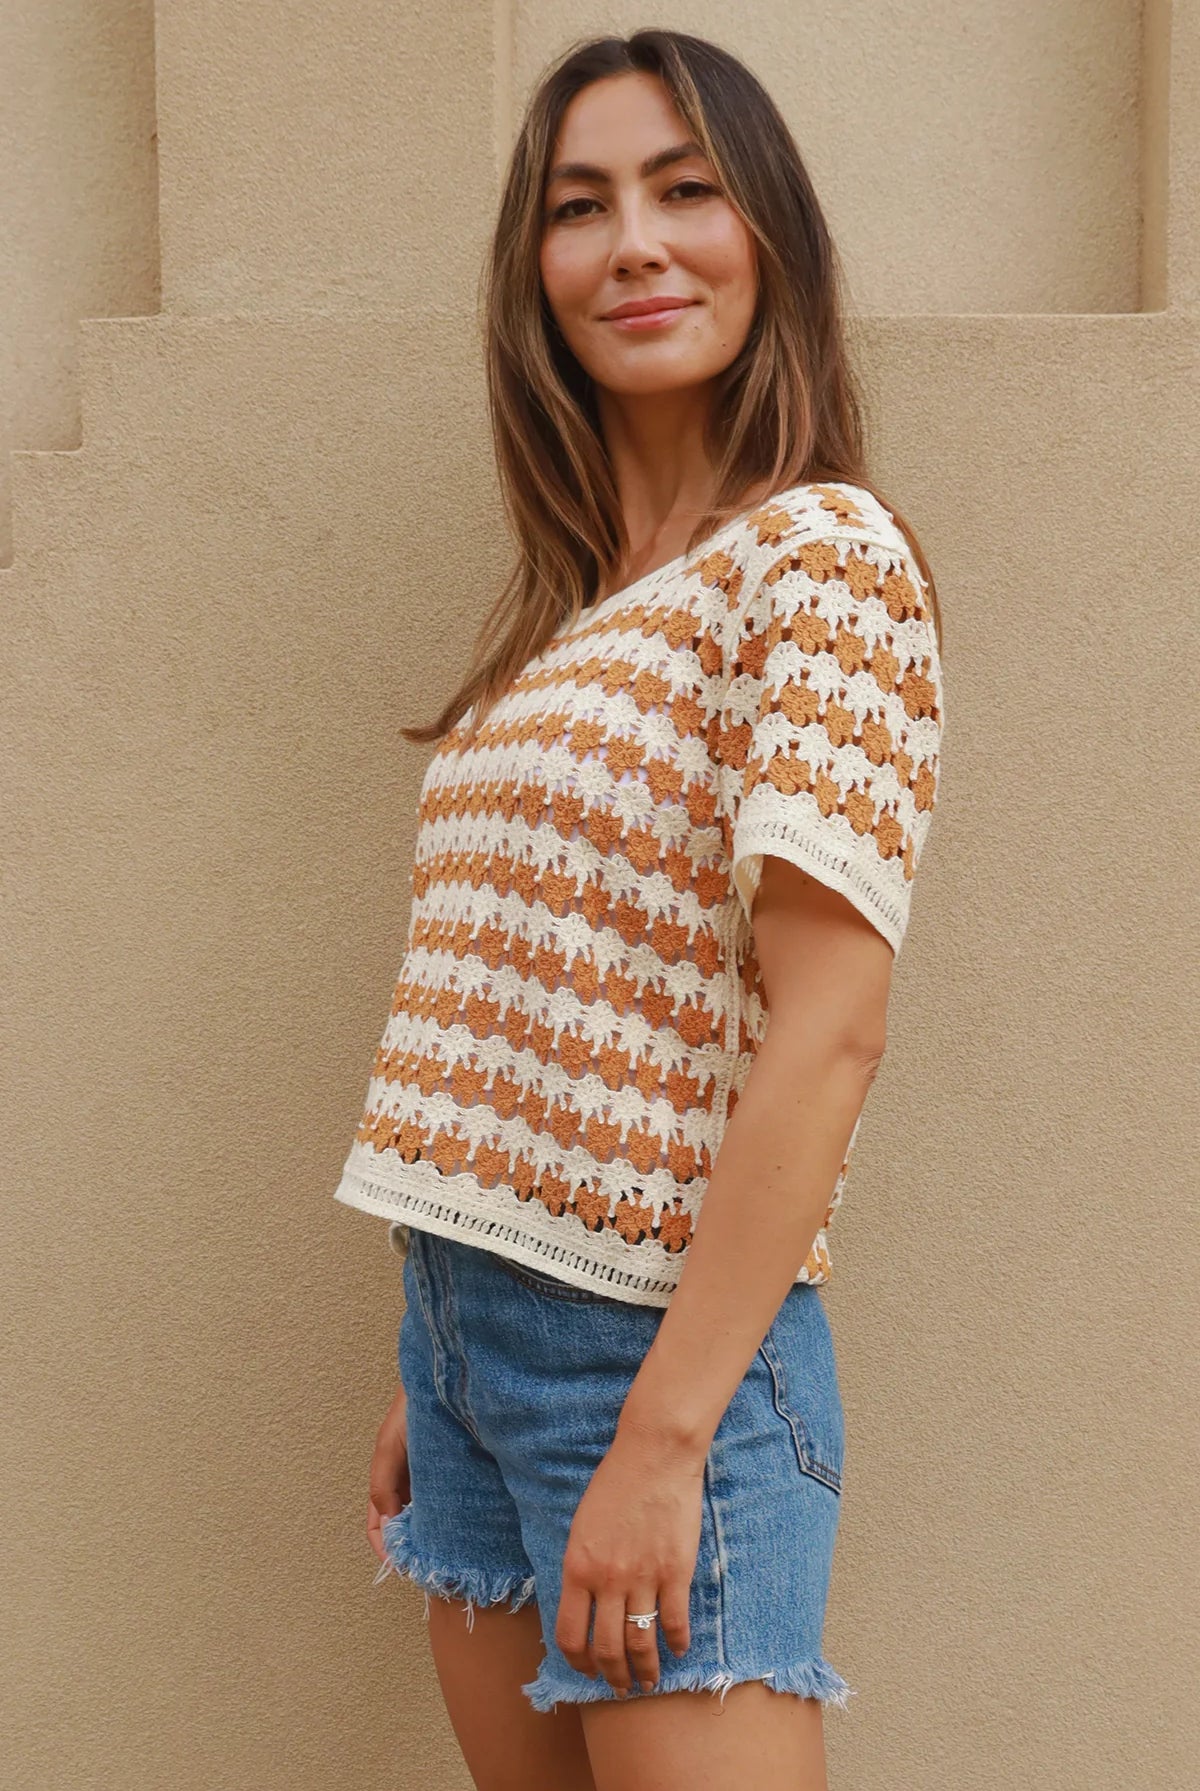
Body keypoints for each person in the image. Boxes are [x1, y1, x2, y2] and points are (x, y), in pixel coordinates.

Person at [334, 26, 944, 1791]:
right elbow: (549, 1009)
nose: (636, 243)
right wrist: (441, 1350)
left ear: (772, 237)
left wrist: (662, 1439)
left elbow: (830, 1034)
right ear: (538, 269)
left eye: (687, 190)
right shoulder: (580, 616)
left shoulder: (817, 559)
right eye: (581, 205)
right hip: (468, 1349)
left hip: (659, 1364)